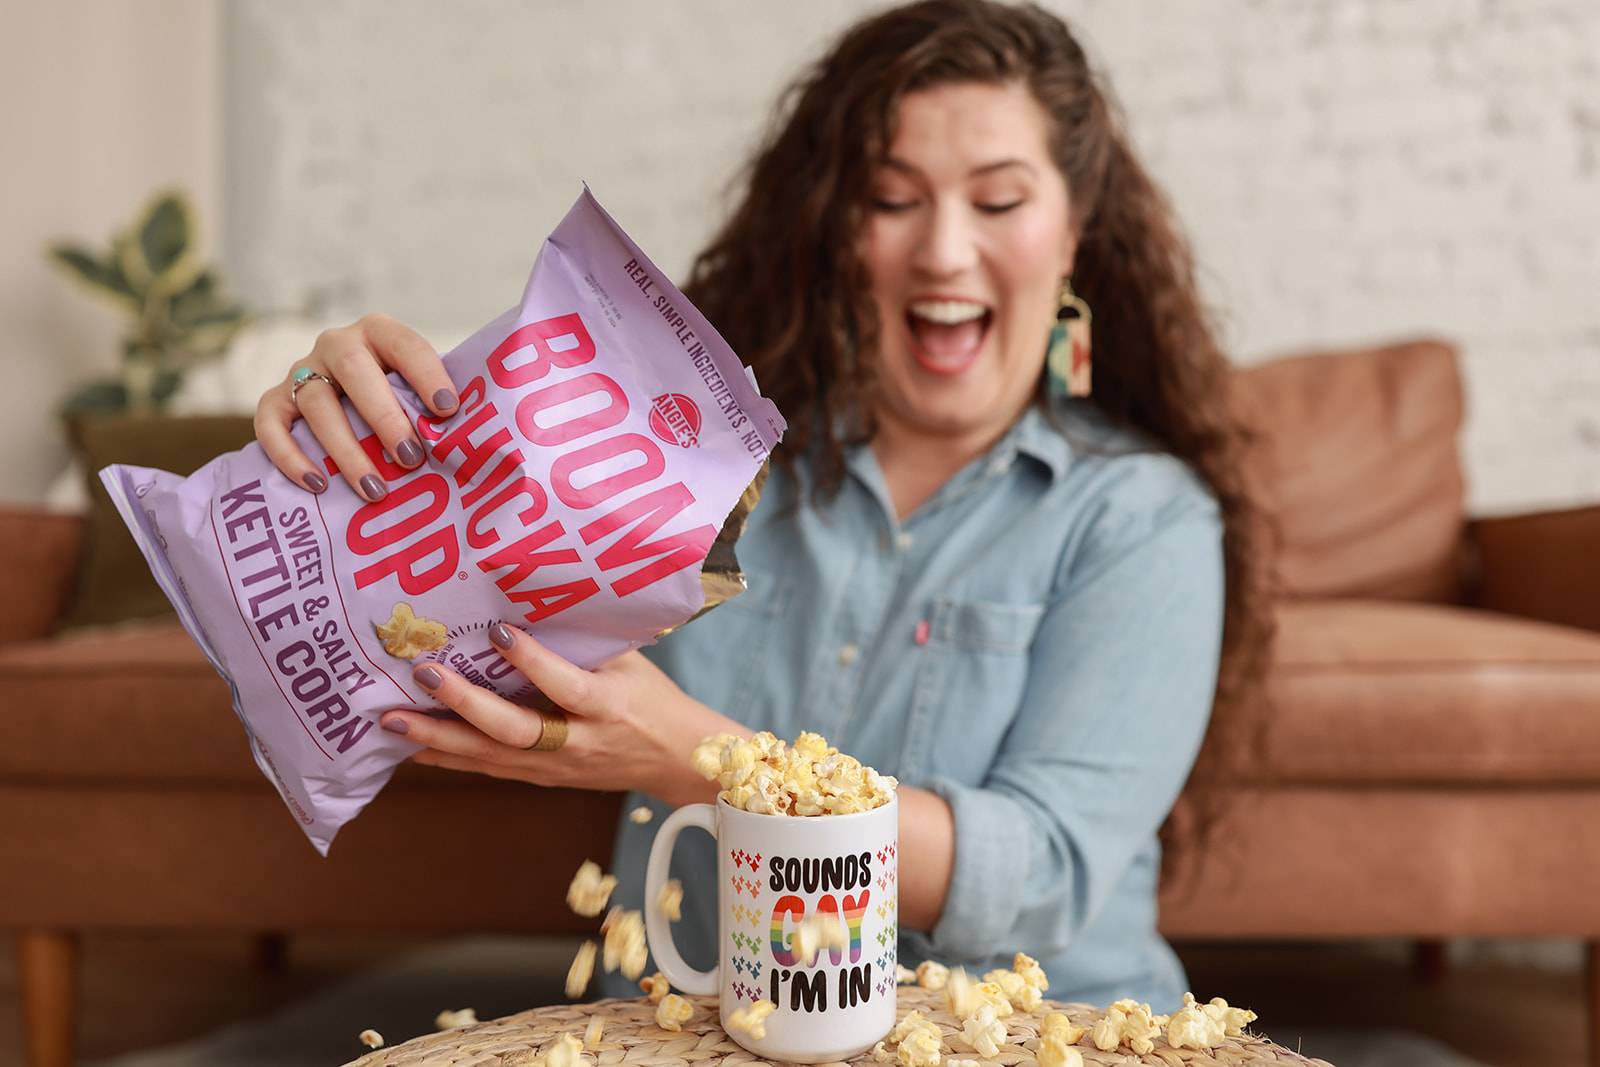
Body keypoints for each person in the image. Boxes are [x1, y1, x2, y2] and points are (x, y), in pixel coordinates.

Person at [253, 0, 1272, 1012]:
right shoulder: (690, 459)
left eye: (998, 202)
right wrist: (337, 435)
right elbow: (447, 594)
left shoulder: (1142, 517)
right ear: (836, 226)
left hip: (1024, 1033)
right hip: (684, 1028)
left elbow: (1039, 872)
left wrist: (699, 759)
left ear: (1074, 232)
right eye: (891, 197)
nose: (944, 252)